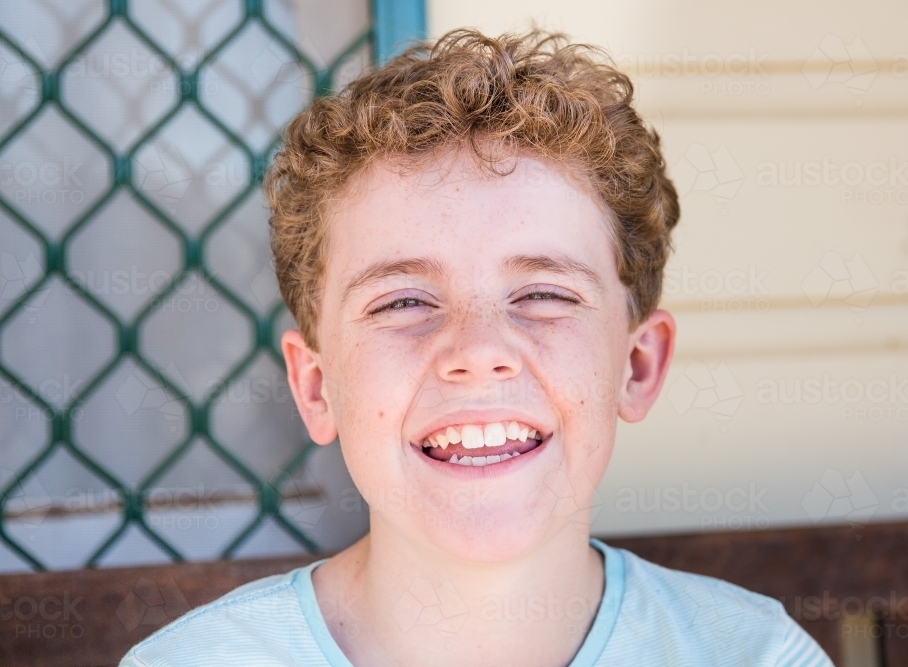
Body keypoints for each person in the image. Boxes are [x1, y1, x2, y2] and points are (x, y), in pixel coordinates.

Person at [120, 29, 833, 667]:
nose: (479, 351)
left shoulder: (752, 652)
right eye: (403, 301)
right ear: (316, 387)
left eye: (545, 294)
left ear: (637, 365)